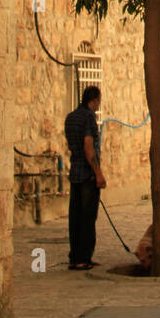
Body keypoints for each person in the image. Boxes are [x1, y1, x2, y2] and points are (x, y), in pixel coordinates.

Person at [64, 86, 105, 270]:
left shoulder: (70, 118)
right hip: (87, 175)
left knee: (75, 217)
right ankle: (83, 258)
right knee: (88, 218)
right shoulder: (89, 117)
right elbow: (89, 148)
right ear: (95, 100)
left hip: (75, 173)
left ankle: (75, 256)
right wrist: (98, 173)